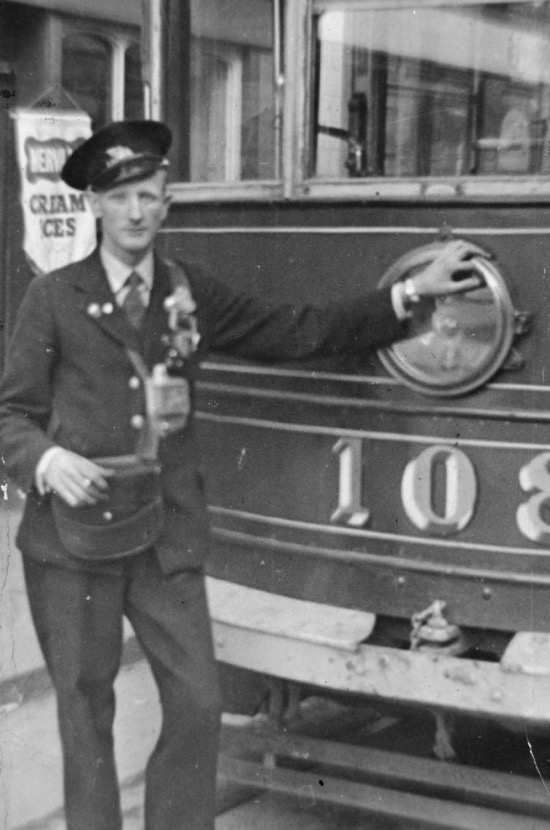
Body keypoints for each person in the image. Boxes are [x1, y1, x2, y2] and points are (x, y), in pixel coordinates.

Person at [0, 120, 482, 830]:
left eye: (151, 196)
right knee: (85, 717)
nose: (137, 212)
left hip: (164, 540)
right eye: (123, 196)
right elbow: (11, 414)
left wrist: (409, 293)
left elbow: (296, 329)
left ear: (166, 206)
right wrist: (45, 460)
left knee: (198, 705)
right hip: (72, 548)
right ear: (96, 207)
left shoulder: (188, 290)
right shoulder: (54, 299)